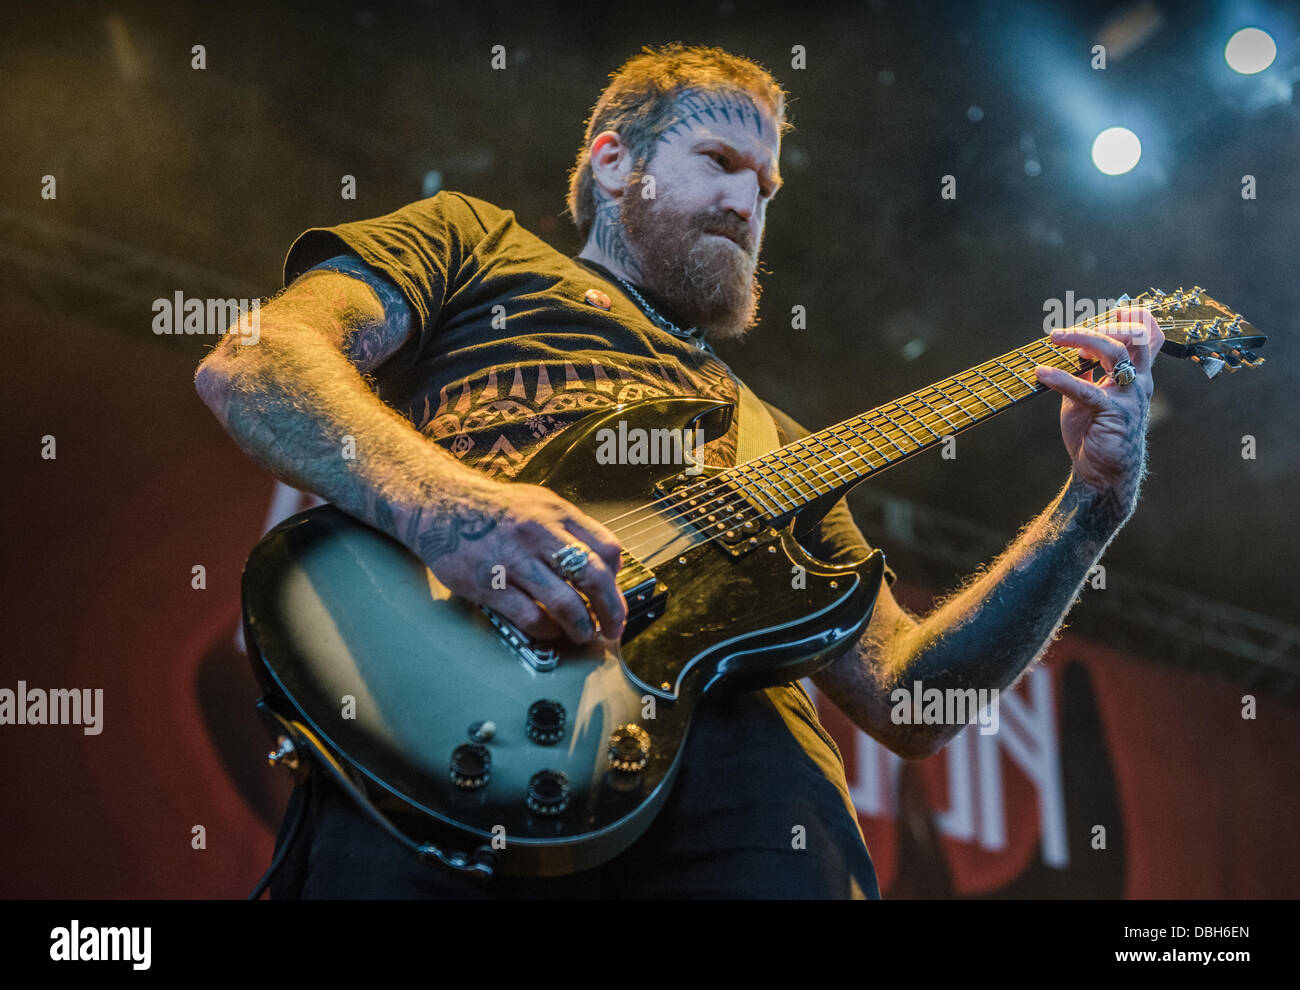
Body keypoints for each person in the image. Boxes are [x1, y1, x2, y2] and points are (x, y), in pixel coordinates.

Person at [194, 43, 1161, 899]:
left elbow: (909, 701)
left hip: (750, 804)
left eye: (767, 190)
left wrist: (1091, 506)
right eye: (721, 163)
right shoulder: (475, 242)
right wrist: (451, 508)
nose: (748, 203)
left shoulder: (774, 439)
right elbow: (257, 363)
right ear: (614, 162)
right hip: (441, 739)